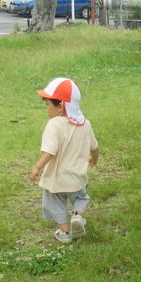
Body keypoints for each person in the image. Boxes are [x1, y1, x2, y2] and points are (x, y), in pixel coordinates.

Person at [30, 77, 99, 243]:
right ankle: (77, 216)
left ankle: (65, 232)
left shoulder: (54, 125)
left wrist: (37, 167)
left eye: (48, 104)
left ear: (60, 105)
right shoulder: (85, 124)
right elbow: (95, 147)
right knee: (81, 198)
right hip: (77, 178)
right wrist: (94, 159)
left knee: (54, 204)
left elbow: (49, 151)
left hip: (57, 180)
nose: (47, 109)